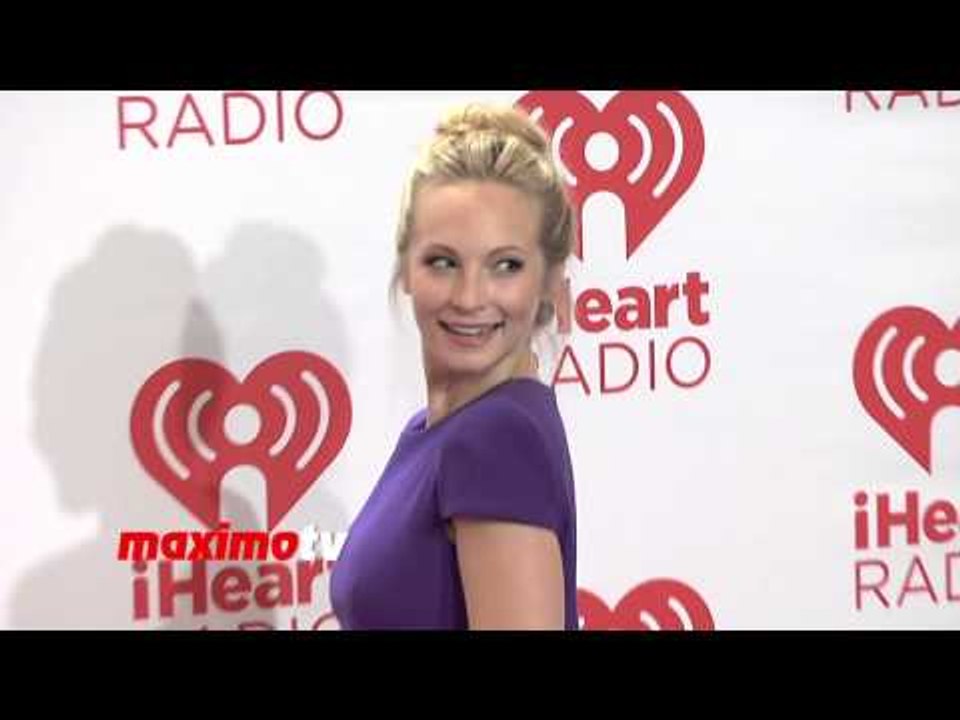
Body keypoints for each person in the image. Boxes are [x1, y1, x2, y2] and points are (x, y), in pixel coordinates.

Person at [330, 102, 578, 630]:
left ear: (548, 283)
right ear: (406, 270)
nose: (470, 297)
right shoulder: (433, 432)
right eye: (443, 261)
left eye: (505, 266)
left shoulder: (495, 437)